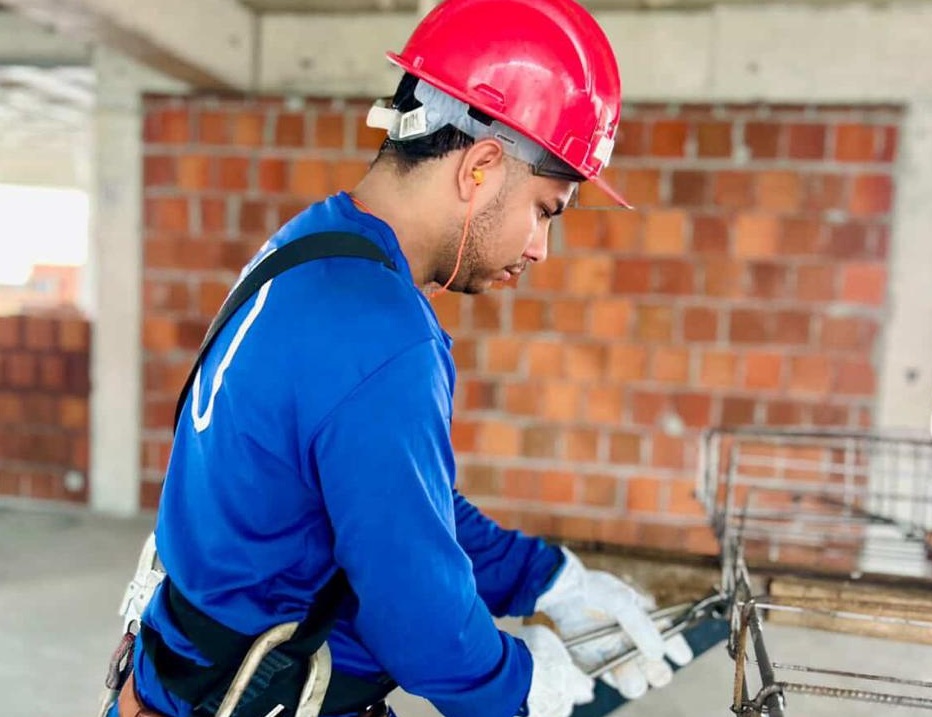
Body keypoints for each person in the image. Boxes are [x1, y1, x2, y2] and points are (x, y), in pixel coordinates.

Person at [107, 1, 692, 716]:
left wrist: (545, 579)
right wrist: (520, 686)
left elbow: (392, 498)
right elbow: (418, 617)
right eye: (546, 209)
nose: (540, 248)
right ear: (481, 166)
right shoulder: (384, 336)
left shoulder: (310, 248)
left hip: (168, 687)